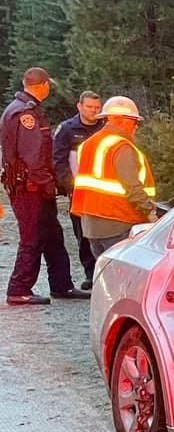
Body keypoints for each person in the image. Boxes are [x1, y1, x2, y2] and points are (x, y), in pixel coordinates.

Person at [3, 67, 88, 305]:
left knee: (53, 236)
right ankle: (18, 289)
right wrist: (48, 184)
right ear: (44, 85)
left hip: (32, 185)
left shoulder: (22, 109)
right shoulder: (25, 114)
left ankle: (62, 285)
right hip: (30, 188)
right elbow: (32, 158)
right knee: (31, 238)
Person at [71, 95, 157, 257]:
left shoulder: (88, 144)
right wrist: (151, 213)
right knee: (125, 271)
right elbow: (133, 188)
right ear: (120, 120)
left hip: (92, 225)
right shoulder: (121, 147)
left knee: (105, 270)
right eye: (134, 121)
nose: (136, 127)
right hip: (119, 222)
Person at [53, 90, 103, 289]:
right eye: (89, 107)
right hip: (79, 191)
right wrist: (69, 185)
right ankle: (90, 274)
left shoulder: (105, 127)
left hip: (104, 190)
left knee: (103, 232)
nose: (93, 111)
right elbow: (59, 160)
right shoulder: (67, 129)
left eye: (97, 107)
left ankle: (103, 273)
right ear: (79, 106)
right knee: (83, 234)